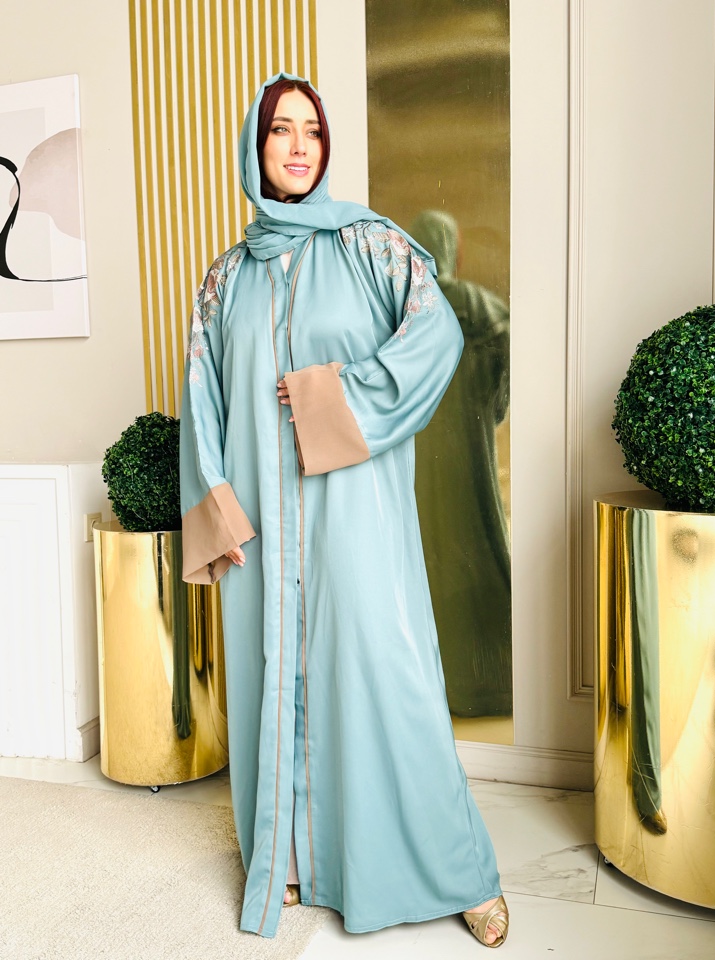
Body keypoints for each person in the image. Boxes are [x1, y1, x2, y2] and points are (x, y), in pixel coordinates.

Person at [179, 73, 509, 948]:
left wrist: (337, 396)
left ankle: (459, 871)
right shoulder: (224, 279)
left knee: (387, 677)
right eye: (280, 130)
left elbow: (436, 335)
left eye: (312, 131)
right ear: (255, 146)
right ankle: (291, 858)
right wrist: (217, 506)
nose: (297, 146)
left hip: (353, 513)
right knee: (275, 680)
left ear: (326, 148)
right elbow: (202, 400)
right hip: (261, 523)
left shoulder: (371, 245)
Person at [410, 210, 512, 719]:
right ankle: (496, 683)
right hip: (473, 452)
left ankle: (440, 689)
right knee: (483, 541)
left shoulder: (410, 308)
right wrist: (488, 409)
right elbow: (505, 365)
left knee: (430, 553)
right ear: (456, 248)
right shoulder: (481, 305)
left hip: (423, 459)